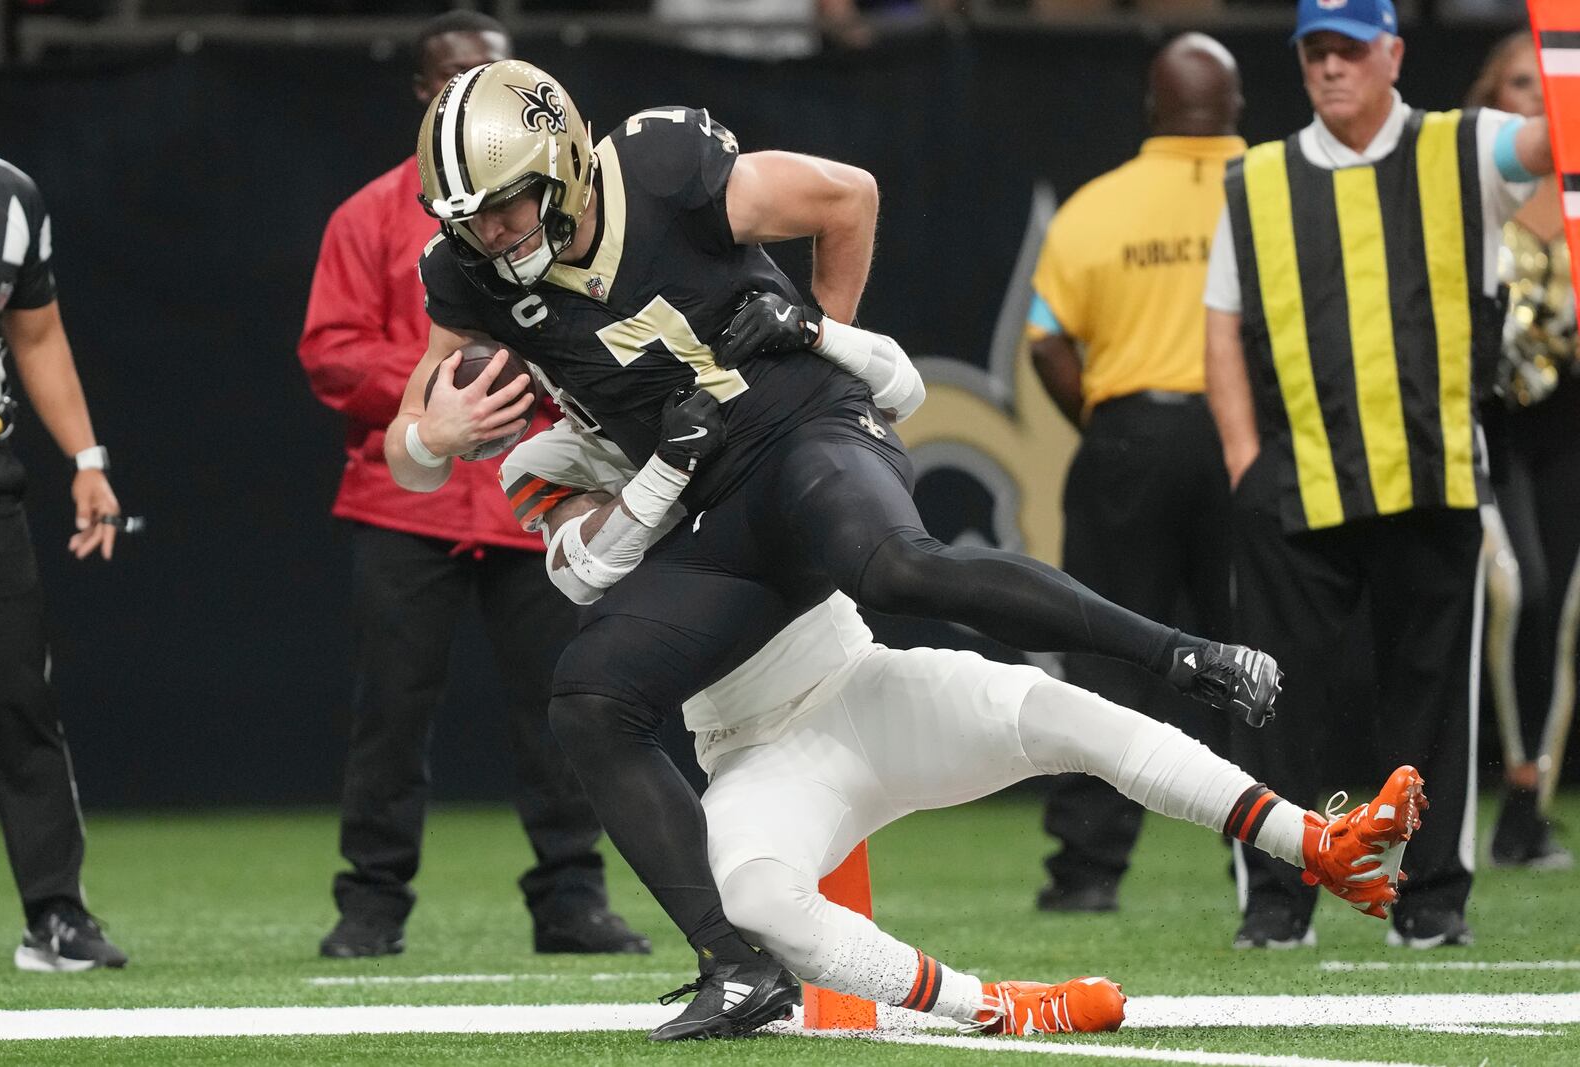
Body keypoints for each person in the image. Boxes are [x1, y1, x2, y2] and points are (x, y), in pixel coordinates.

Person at [388, 60, 1281, 1039]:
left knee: (895, 566)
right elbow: (415, 456)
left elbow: (847, 196)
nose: (486, 233)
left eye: (505, 208)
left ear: (559, 170)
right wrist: (434, 434)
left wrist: (823, 338)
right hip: (711, 504)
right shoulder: (468, 280)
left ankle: (1178, 653)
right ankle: (736, 962)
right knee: (589, 698)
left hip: (802, 434)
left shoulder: (663, 169)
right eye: (466, 217)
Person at [497, 336, 1424, 1038]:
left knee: (1068, 713)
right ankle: (998, 1008)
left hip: (860, 678)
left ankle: (1318, 841)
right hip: (749, 741)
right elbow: (587, 567)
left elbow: (898, 387)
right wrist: (667, 463)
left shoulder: (731, 374)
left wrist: (816, 329)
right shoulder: (546, 459)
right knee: (755, 905)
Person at [1203, 0, 1554, 948]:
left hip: (1434, 471)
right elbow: (1221, 330)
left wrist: (1563, 42)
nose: (1330, 67)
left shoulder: (1466, 148)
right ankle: (1276, 905)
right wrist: (1243, 463)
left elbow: (1552, 136)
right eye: (1315, 50)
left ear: (1394, 53)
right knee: (1278, 700)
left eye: (1350, 49)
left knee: (1434, 702)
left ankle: (1431, 901)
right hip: (1298, 478)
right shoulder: (1259, 179)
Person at [298, 14, 646, 959]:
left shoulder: (564, 215)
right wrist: (452, 391)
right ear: (424, 94)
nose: (476, 85)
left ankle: (573, 899)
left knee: (564, 701)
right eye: (456, 73)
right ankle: (371, 904)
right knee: (391, 711)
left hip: (531, 497)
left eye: (495, 70)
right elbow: (330, 351)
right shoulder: (370, 216)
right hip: (400, 500)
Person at [1026, 32, 1244, 913]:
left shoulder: (1096, 206)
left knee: (1108, 662)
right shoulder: (1273, 192)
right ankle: (1277, 874)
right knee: (1259, 655)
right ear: (1236, 108)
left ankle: (1086, 874)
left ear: (1154, 108)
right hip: (1248, 447)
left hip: (1128, 445)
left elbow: (1046, 343)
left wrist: (1110, 426)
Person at [0, 146, 128, 970]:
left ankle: (55, 912)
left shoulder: (8, 195)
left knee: (17, 694)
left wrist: (87, 460)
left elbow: (35, 334)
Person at [1465, 31, 1575, 870]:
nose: (1533, 94)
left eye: (1544, 82)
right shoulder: (1467, 182)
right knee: (1515, 591)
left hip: (1566, 424)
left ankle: (1528, 808)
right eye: (1515, 81)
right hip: (1490, 428)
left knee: (1566, 612)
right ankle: (1488, 790)